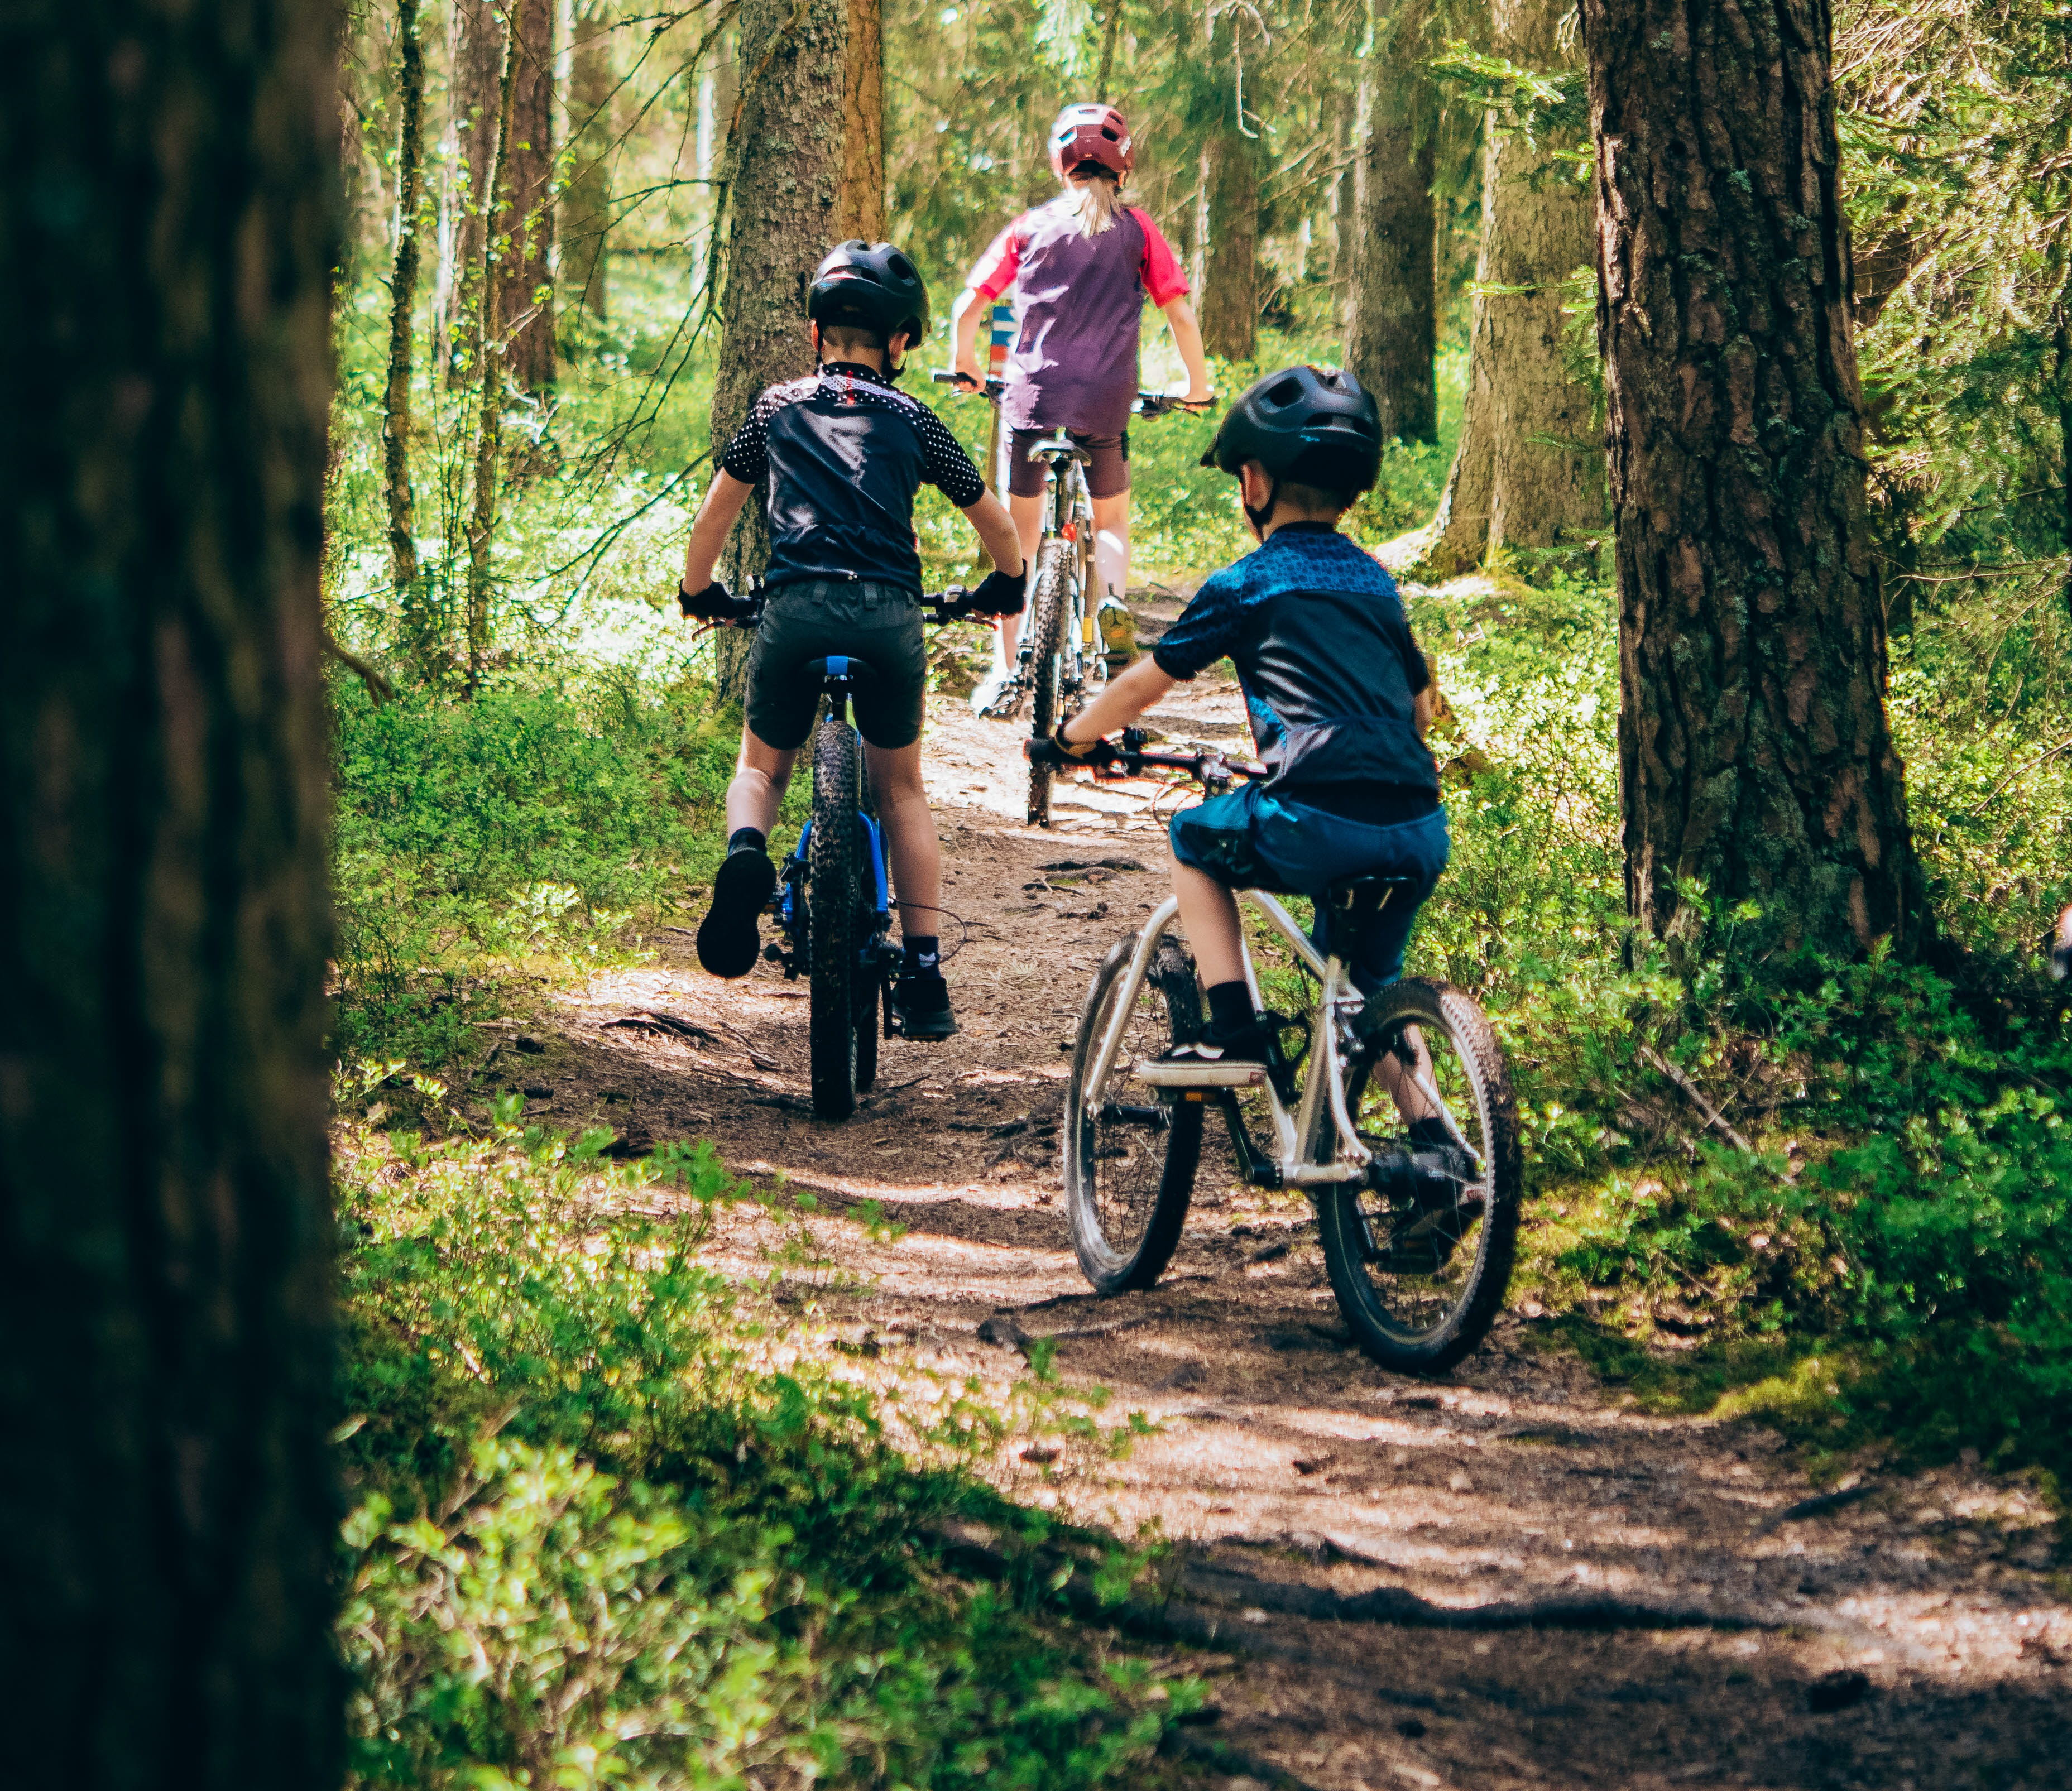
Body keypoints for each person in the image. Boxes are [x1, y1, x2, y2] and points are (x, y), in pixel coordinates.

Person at [1031, 364, 1449, 1082]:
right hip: (1417, 826)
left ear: (1253, 484)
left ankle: (1234, 1029)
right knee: (1366, 994)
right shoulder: (1378, 583)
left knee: (1191, 839)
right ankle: (1437, 1147)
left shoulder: (1248, 583)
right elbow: (1422, 706)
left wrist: (1072, 737)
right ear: (1352, 491)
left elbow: (1144, 684)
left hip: (1313, 815)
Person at [678, 241, 1027, 1040]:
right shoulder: (916, 418)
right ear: (901, 343)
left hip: (794, 607)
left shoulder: (774, 409)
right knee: (901, 789)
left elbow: (714, 518)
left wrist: (700, 592)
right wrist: (1003, 585)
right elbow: (997, 523)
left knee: (761, 766)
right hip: (889, 617)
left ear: (814, 332)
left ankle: (743, 853)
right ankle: (928, 973)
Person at [949, 102, 1214, 713]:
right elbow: (1179, 312)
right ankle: (1114, 620)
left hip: (1031, 397)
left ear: (1060, 163)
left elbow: (970, 305)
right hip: (1105, 401)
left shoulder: (1028, 228)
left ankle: (1007, 671)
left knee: (1016, 538)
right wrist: (1196, 385)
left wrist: (967, 364)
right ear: (1123, 166)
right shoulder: (1138, 230)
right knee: (1112, 524)